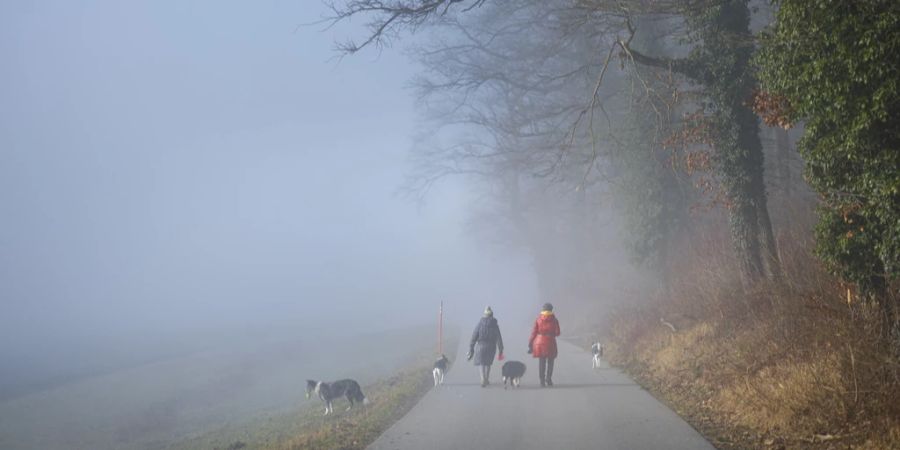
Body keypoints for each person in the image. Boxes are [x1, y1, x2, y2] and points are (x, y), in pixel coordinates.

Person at [467, 306, 504, 387]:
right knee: (488, 363)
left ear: (484, 315)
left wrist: (471, 347)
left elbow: (474, 336)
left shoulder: (480, 324)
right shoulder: (495, 325)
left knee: (482, 363)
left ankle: (482, 378)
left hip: (481, 345)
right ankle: (487, 378)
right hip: (491, 346)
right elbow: (499, 338)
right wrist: (501, 349)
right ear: (491, 315)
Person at [528, 302, 561, 387]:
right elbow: (557, 333)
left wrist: (530, 342)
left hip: (539, 342)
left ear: (543, 309)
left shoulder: (538, 319)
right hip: (550, 342)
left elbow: (534, 332)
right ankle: (549, 379)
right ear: (551, 310)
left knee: (541, 362)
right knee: (550, 361)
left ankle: (542, 381)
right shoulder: (554, 320)